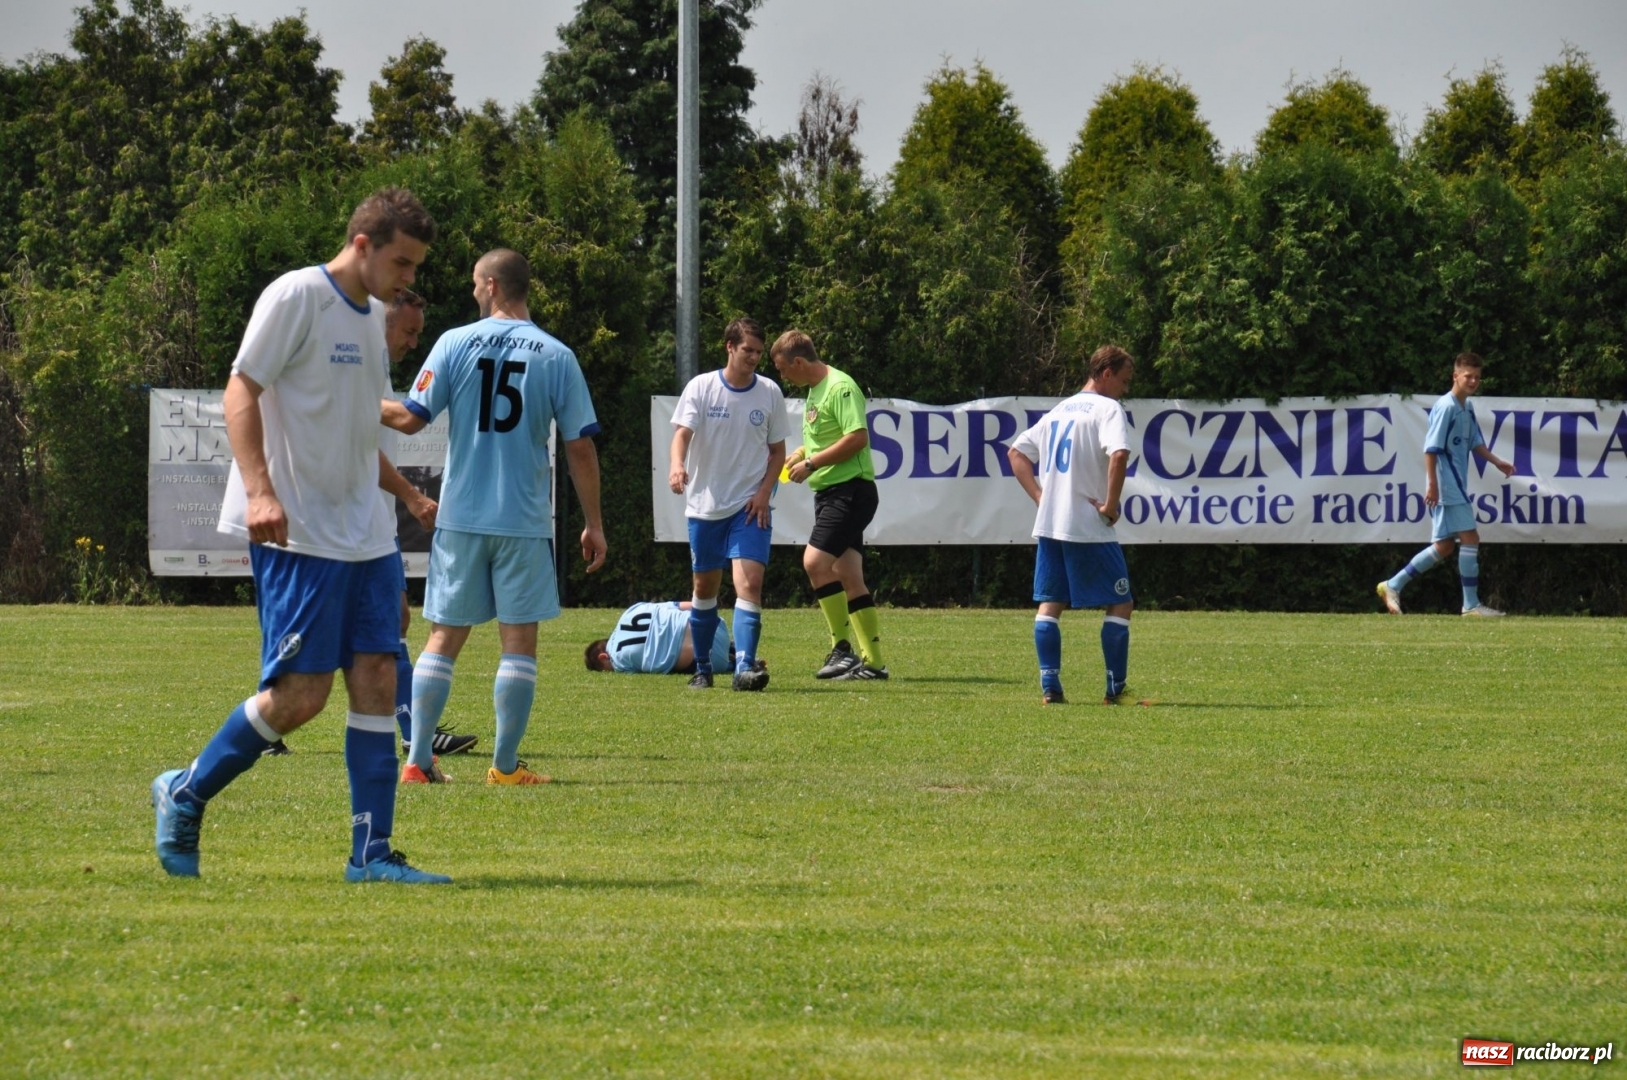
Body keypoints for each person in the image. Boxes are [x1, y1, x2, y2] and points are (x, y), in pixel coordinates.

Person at [151, 187, 450, 884]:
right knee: (301, 697)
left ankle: (370, 855)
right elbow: (239, 389)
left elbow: (351, 428)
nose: (408, 279)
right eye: (402, 262)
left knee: (378, 676)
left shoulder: (374, 317)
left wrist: (395, 511)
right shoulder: (295, 296)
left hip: (364, 535)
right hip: (301, 531)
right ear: (363, 244)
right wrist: (258, 491)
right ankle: (185, 790)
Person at [382, 248, 606, 787]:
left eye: (473, 284)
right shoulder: (557, 355)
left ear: (489, 284)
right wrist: (593, 522)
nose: (471, 292)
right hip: (523, 520)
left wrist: (344, 399)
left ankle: (416, 762)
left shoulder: (454, 342)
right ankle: (504, 768)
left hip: (459, 515)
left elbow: (410, 420)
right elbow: (579, 447)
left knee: (443, 637)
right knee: (519, 643)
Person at [259, 290, 480, 764]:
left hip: (370, 513)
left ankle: (411, 729)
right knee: (306, 630)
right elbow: (360, 439)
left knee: (391, 621)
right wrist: (412, 494)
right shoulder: (353, 366)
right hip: (340, 517)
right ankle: (265, 720)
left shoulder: (373, 369)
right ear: (383, 324)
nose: (414, 342)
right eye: (409, 331)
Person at [1007, 345, 1136, 706]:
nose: (1125, 389)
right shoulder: (1108, 409)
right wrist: (1110, 506)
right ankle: (1115, 689)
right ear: (1106, 373)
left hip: (1051, 524)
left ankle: (1051, 688)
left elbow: (1015, 454)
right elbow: (1119, 454)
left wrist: (1039, 497)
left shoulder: (1060, 410)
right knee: (1121, 602)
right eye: (1124, 380)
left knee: (1050, 604)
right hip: (1087, 525)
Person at [669, 317, 789, 691]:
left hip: (749, 507)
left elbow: (778, 453)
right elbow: (682, 436)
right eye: (747, 350)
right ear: (729, 347)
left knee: (750, 583)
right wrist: (676, 465)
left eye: (758, 351)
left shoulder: (769, 392)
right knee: (704, 589)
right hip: (705, 507)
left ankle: (745, 669)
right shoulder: (702, 387)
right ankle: (703, 668)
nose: (754, 357)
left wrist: (763, 493)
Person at [771, 330, 886, 681]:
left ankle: (843, 651)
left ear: (800, 362)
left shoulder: (840, 387)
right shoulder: (815, 392)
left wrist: (813, 463)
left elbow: (857, 437)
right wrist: (802, 453)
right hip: (833, 493)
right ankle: (875, 665)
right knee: (849, 576)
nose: (783, 377)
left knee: (815, 562)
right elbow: (829, 436)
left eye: (782, 369)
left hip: (850, 491)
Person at [1377, 352, 1515, 617]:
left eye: (1477, 377)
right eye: (1468, 376)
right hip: (1446, 485)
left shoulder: (1467, 407)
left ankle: (1392, 585)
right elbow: (1430, 449)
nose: (1473, 381)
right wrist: (1432, 485)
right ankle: (1471, 606)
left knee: (1445, 546)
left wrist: (1497, 461)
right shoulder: (1446, 407)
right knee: (1470, 538)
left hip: (1454, 485)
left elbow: (1475, 442)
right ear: (1455, 376)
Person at [583, 600, 746, 675]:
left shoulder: (618, 661)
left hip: (711, 660)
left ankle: (732, 663)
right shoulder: (631, 611)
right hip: (716, 624)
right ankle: (736, 650)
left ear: (603, 656)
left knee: (668, 660)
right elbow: (682, 605)